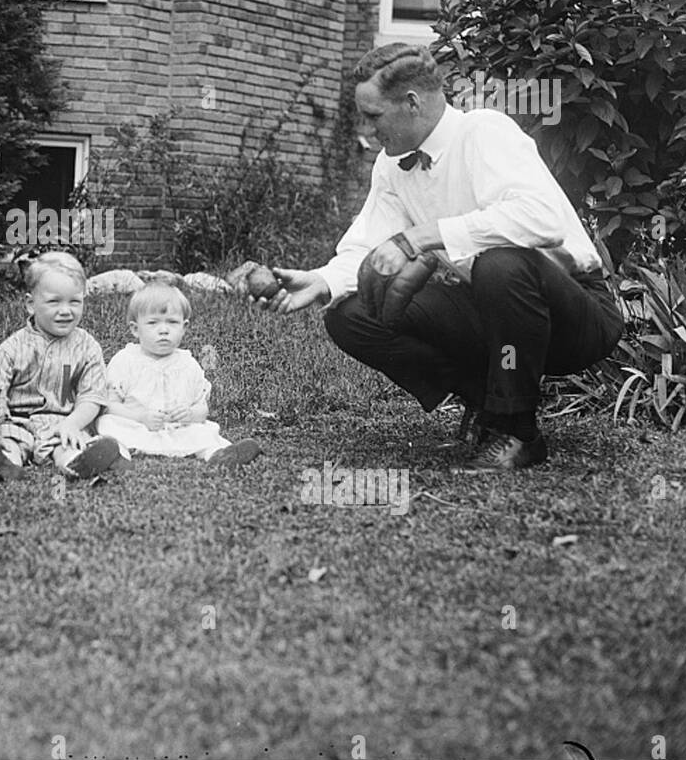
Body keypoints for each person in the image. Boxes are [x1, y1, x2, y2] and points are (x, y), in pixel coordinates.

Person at [259, 44, 623, 469]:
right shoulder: (391, 165)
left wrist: (420, 237)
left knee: (500, 263)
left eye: (373, 115)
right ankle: (486, 402)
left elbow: (542, 221)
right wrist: (321, 281)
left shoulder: (485, 131)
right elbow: (366, 245)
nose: (367, 128)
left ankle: (518, 432)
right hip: (489, 312)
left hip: (572, 313)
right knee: (352, 316)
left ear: (412, 103)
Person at [0, 251, 123, 481]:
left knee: (66, 444)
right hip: (19, 421)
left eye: (75, 301)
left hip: (62, 421)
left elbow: (92, 396)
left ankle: (76, 462)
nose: (66, 310)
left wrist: (72, 424)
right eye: (54, 302)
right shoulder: (13, 348)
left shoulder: (87, 347)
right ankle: (6, 463)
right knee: (9, 440)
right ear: (31, 304)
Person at [97, 282, 262, 466]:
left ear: (184, 327)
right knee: (108, 424)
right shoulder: (125, 360)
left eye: (172, 322)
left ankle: (218, 455)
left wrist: (190, 414)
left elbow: (202, 410)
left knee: (202, 432)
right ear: (135, 329)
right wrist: (140, 417)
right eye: (153, 323)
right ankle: (117, 457)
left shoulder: (188, 364)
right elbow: (110, 405)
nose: (164, 330)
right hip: (137, 425)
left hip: (179, 429)